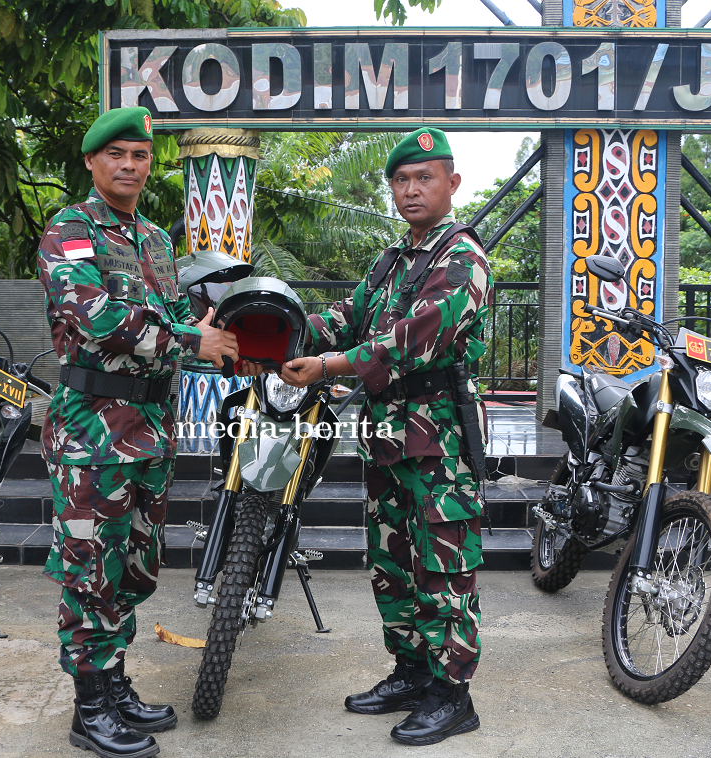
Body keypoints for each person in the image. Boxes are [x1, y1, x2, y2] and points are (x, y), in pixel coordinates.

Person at [275, 127, 493, 746]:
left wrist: (331, 367)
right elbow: (351, 315)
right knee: (392, 561)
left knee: (443, 564)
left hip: (439, 437)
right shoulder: (394, 260)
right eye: (401, 180)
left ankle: (453, 694)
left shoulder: (463, 258)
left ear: (452, 184)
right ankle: (410, 671)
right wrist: (288, 329)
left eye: (424, 178)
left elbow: (417, 338)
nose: (411, 190)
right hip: (388, 436)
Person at [36, 105, 240, 758]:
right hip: (92, 433)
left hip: (151, 431)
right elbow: (93, 315)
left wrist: (215, 324)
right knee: (90, 569)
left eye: (140, 156)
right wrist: (189, 337)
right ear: (93, 162)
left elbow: (177, 310)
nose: (129, 165)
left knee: (129, 568)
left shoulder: (154, 238)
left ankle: (116, 685)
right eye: (116, 154)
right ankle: (89, 708)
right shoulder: (70, 229)